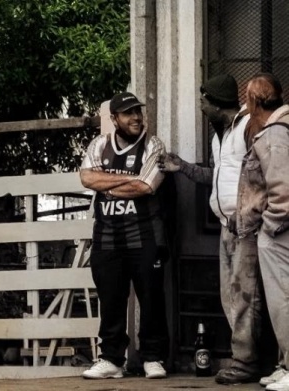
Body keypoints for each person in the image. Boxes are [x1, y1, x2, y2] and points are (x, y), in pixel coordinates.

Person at [158, 74, 275, 384]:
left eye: (203, 102)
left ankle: (247, 362)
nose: (200, 107)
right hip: (227, 227)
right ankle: (250, 360)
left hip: (247, 225)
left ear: (215, 103)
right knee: (231, 296)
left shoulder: (250, 126)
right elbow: (217, 177)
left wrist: (250, 212)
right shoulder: (219, 135)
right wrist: (180, 166)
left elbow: (264, 171)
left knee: (246, 297)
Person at [79, 92, 169, 380]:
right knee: (110, 299)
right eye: (128, 113)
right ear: (114, 118)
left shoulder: (153, 145)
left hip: (144, 234)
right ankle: (111, 360)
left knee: (151, 298)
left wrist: (107, 183)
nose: (136, 118)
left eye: (138, 112)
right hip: (106, 235)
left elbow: (146, 187)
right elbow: (86, 178)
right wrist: (129, 178)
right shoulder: (99, 144)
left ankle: (152, 358)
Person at [236, 73, 289, 391]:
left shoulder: (275, 133)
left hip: (280, 231)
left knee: (283, 300)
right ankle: (285, 365)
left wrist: (270, 226)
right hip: (280, 228)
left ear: (254, 101)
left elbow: (283, 190)